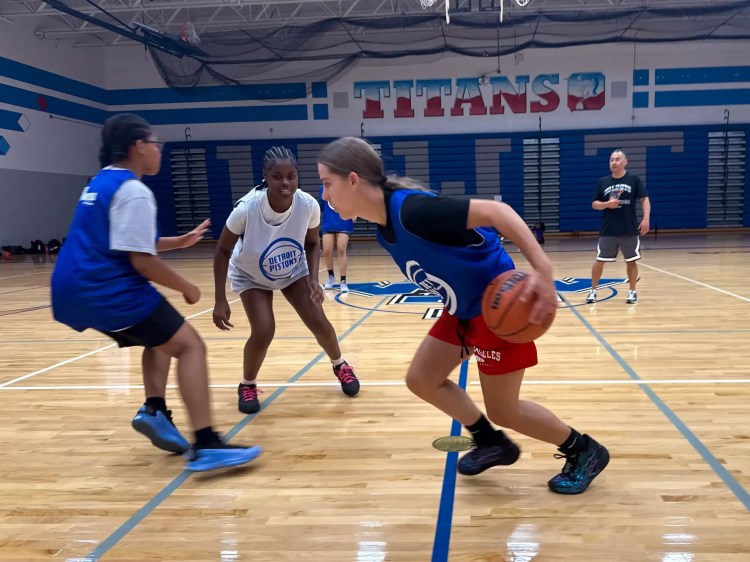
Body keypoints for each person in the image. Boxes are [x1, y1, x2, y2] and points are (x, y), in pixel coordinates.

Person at [317, 137, 609, 495]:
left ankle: (584, 451)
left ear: (352, 180)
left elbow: (497, 213)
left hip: (498, 309)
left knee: (505, 410)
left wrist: (543, 269)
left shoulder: (413, 212)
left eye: (327, 183)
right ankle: (491, 443)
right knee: (422, 378)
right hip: (463, 310)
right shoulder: (384, 227)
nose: (323, 195)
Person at [50, 113, 262, 473]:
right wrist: (188, 287)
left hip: (72, 288)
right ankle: (207, 443)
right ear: (138, 146)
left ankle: (154, 409)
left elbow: (116, 239)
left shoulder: (99, 183)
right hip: (108, 289)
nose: (158, 151)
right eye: (155, 143)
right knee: (191, 346)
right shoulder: (134, 190)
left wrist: (179, 243)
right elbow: (141, 261)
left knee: (162, 336)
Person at [213, 146, 361, 415]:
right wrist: (220, 299)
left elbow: (313, 243)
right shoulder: (246, 209)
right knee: (264, 329)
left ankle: (340, 365)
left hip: (292, 269)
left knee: (319, 320)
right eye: (277, 176)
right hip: (251, 274)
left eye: (291, 176)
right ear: (265, 177)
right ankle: (247, 384)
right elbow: (223, 250)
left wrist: (314, 280)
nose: (285, 182)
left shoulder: (308, 205)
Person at [585, 149, 650, 305]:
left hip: (629, 229)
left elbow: (644, 199)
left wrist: (646, 218)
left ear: (625, 162)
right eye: (611, 159)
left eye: (617, 159)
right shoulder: (603, 182)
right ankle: (593, 291)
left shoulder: (634, 180)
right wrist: (607, 204)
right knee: (599, 261)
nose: (614, 162)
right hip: (609, 229)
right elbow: (595, 204)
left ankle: (632, 292)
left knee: (631, 261)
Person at [318, 184, 355, 293]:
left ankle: (343, 281)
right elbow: (320, 206)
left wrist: (355, 212)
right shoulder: (323, 188)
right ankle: (331, 276)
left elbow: (354, 202)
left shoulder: (348, 187)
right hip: (329, 222)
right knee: (326, 251)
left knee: (341, 248)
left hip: (344, 221)